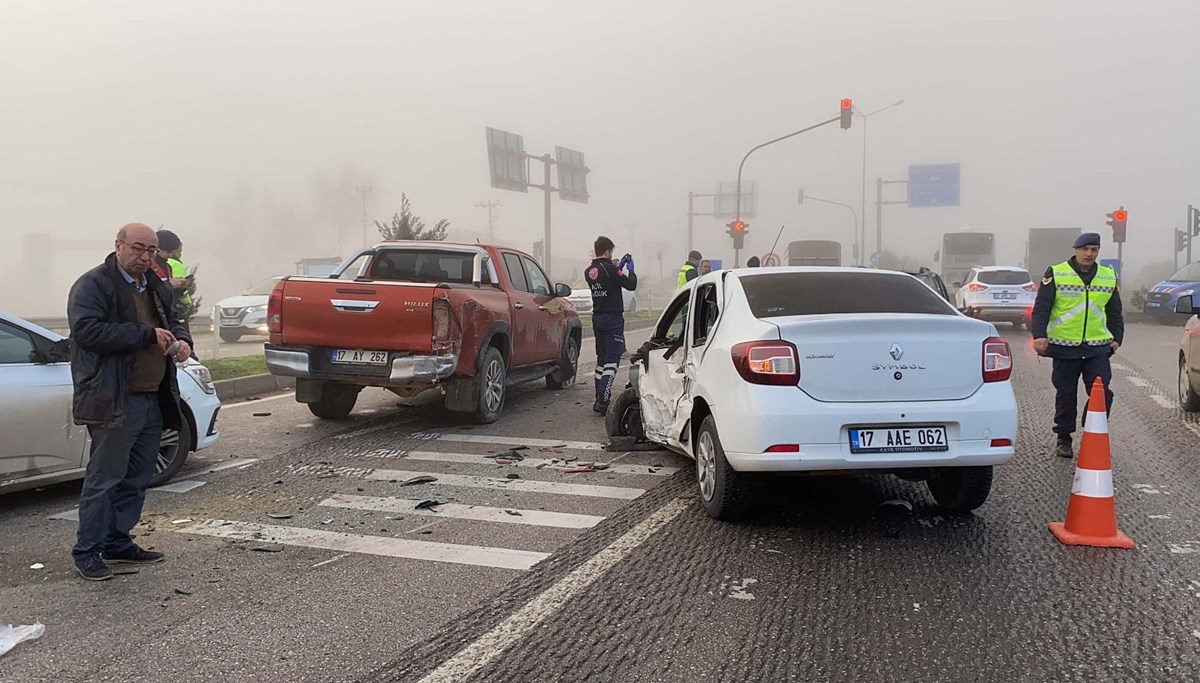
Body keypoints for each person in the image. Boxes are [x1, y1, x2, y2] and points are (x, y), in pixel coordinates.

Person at [67, 223, 193, 581]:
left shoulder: (155, 286)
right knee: (104, 479)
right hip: (113, 399)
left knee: (137, 478)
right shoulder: (95, 284)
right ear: (118, 246)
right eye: (138, 248)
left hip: (153, 397)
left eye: (151, 250)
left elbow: (175, 322)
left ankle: (117, 541)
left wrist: (183, 343)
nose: (145, 256)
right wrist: (145, 335)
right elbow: (87, 332)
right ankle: (87, 551)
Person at [1030, 232, 1124, 459]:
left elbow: (1115, 312)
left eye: (1094, 249)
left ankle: (1091, 428)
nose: (1089, 254)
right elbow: (1042, 307)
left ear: (1098, 251)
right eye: (1085, 249)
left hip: (1097, 347)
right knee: (1066, 395)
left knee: (1102, 394)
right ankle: (1064, 437)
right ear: (1076, 249)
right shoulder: (1056, 273)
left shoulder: (1108, 276)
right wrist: (1039, 335)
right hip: (1065, 346)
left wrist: (1117, 338)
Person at [585, 236, 637, 414]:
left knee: (601, 359)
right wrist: (630, 269)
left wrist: (618, 267)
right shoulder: (610, 270)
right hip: (612, 318)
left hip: (597, 317)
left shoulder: (589, 271)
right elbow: (631, 285)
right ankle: (604, 399)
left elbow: (607, 279)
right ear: (607, 252)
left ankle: (599, 397)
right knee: (612, 359)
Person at [155, 229, 192, 328]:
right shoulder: (147, 267)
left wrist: (179, 289)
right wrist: (169, 285)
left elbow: (167, 295)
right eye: (168, 252)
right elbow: (151, 293)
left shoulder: (167, 266)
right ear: (157, 249)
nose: (171, 255)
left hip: (170, 316)